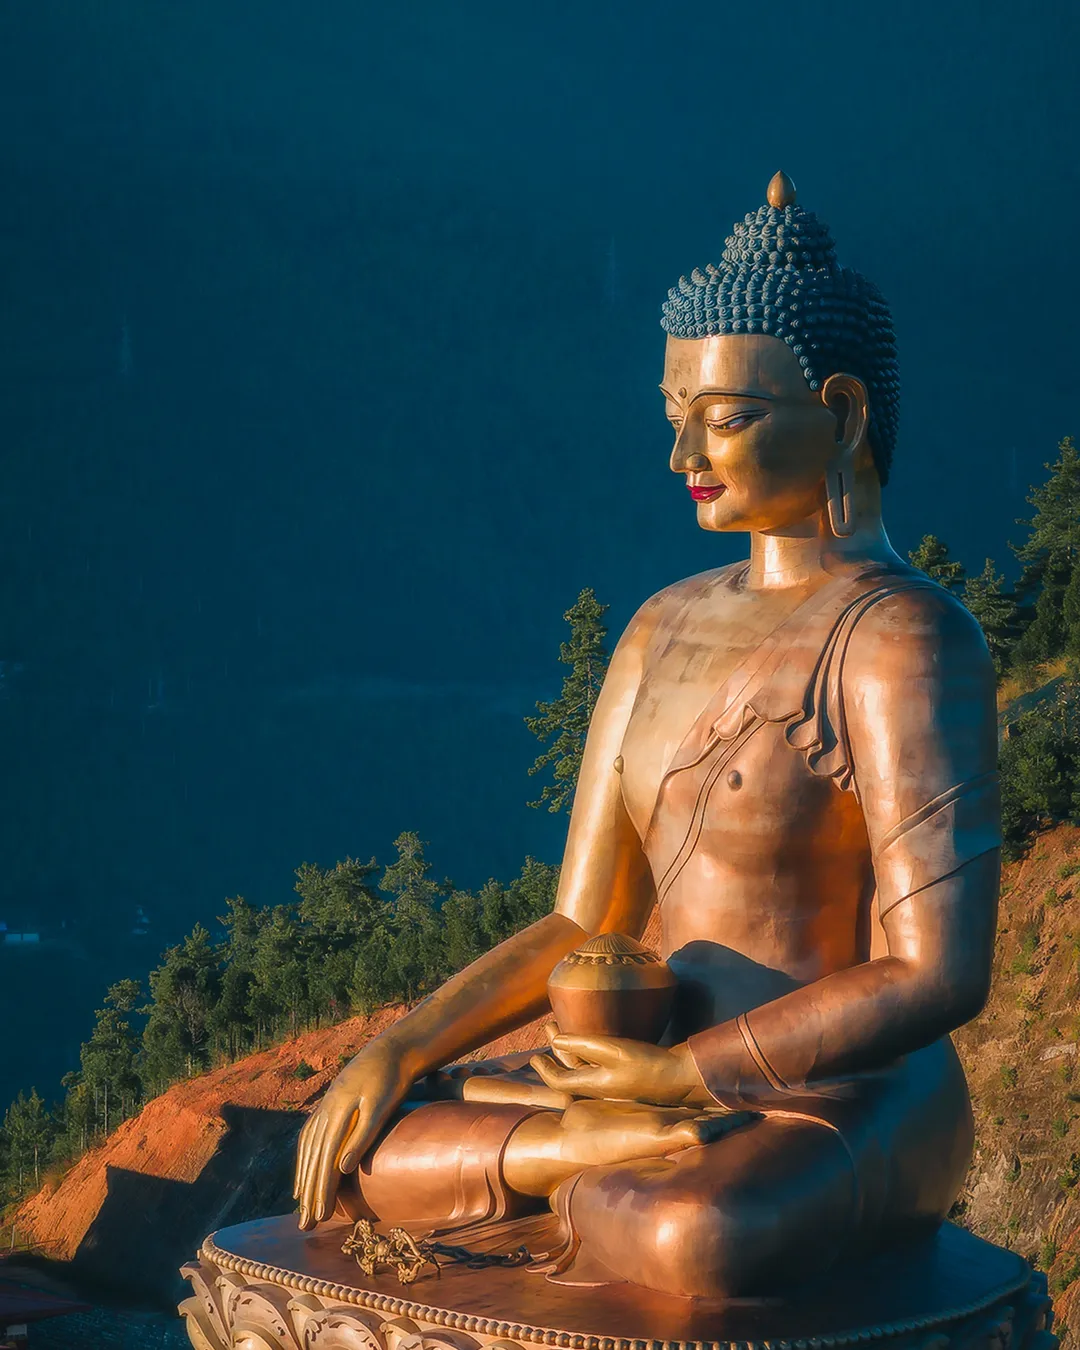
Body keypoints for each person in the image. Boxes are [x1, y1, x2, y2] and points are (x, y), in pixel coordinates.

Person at [293, 172, 1000, 1299]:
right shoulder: (661, 625)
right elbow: (587, 915)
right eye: (674, 413)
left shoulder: (905, 636)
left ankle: (586, 1162)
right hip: (633, 1074)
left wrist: (686, 1077)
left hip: (841, 1094)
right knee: (362, 1148)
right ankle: (582, 1153)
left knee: (687, 1235)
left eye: (725, 417)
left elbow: (937, 972)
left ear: (846, 414)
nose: (684, 453)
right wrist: (407, 1046)